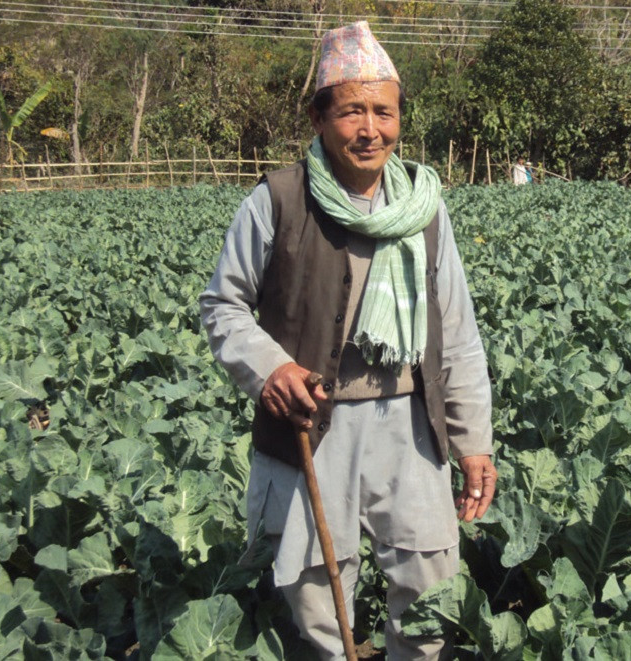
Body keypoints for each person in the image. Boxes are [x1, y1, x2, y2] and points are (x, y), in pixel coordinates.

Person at [200, 21, 496, 660]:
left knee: (430, 588)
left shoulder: (424, 205)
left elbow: (459, 332)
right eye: (353, 111)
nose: (371, 129)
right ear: (318, 117)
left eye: (383, 112)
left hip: (410, 425)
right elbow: (223, 305)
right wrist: (271, 369)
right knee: (314, 592)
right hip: (315, 425)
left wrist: (473, 442)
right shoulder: (277, 201)